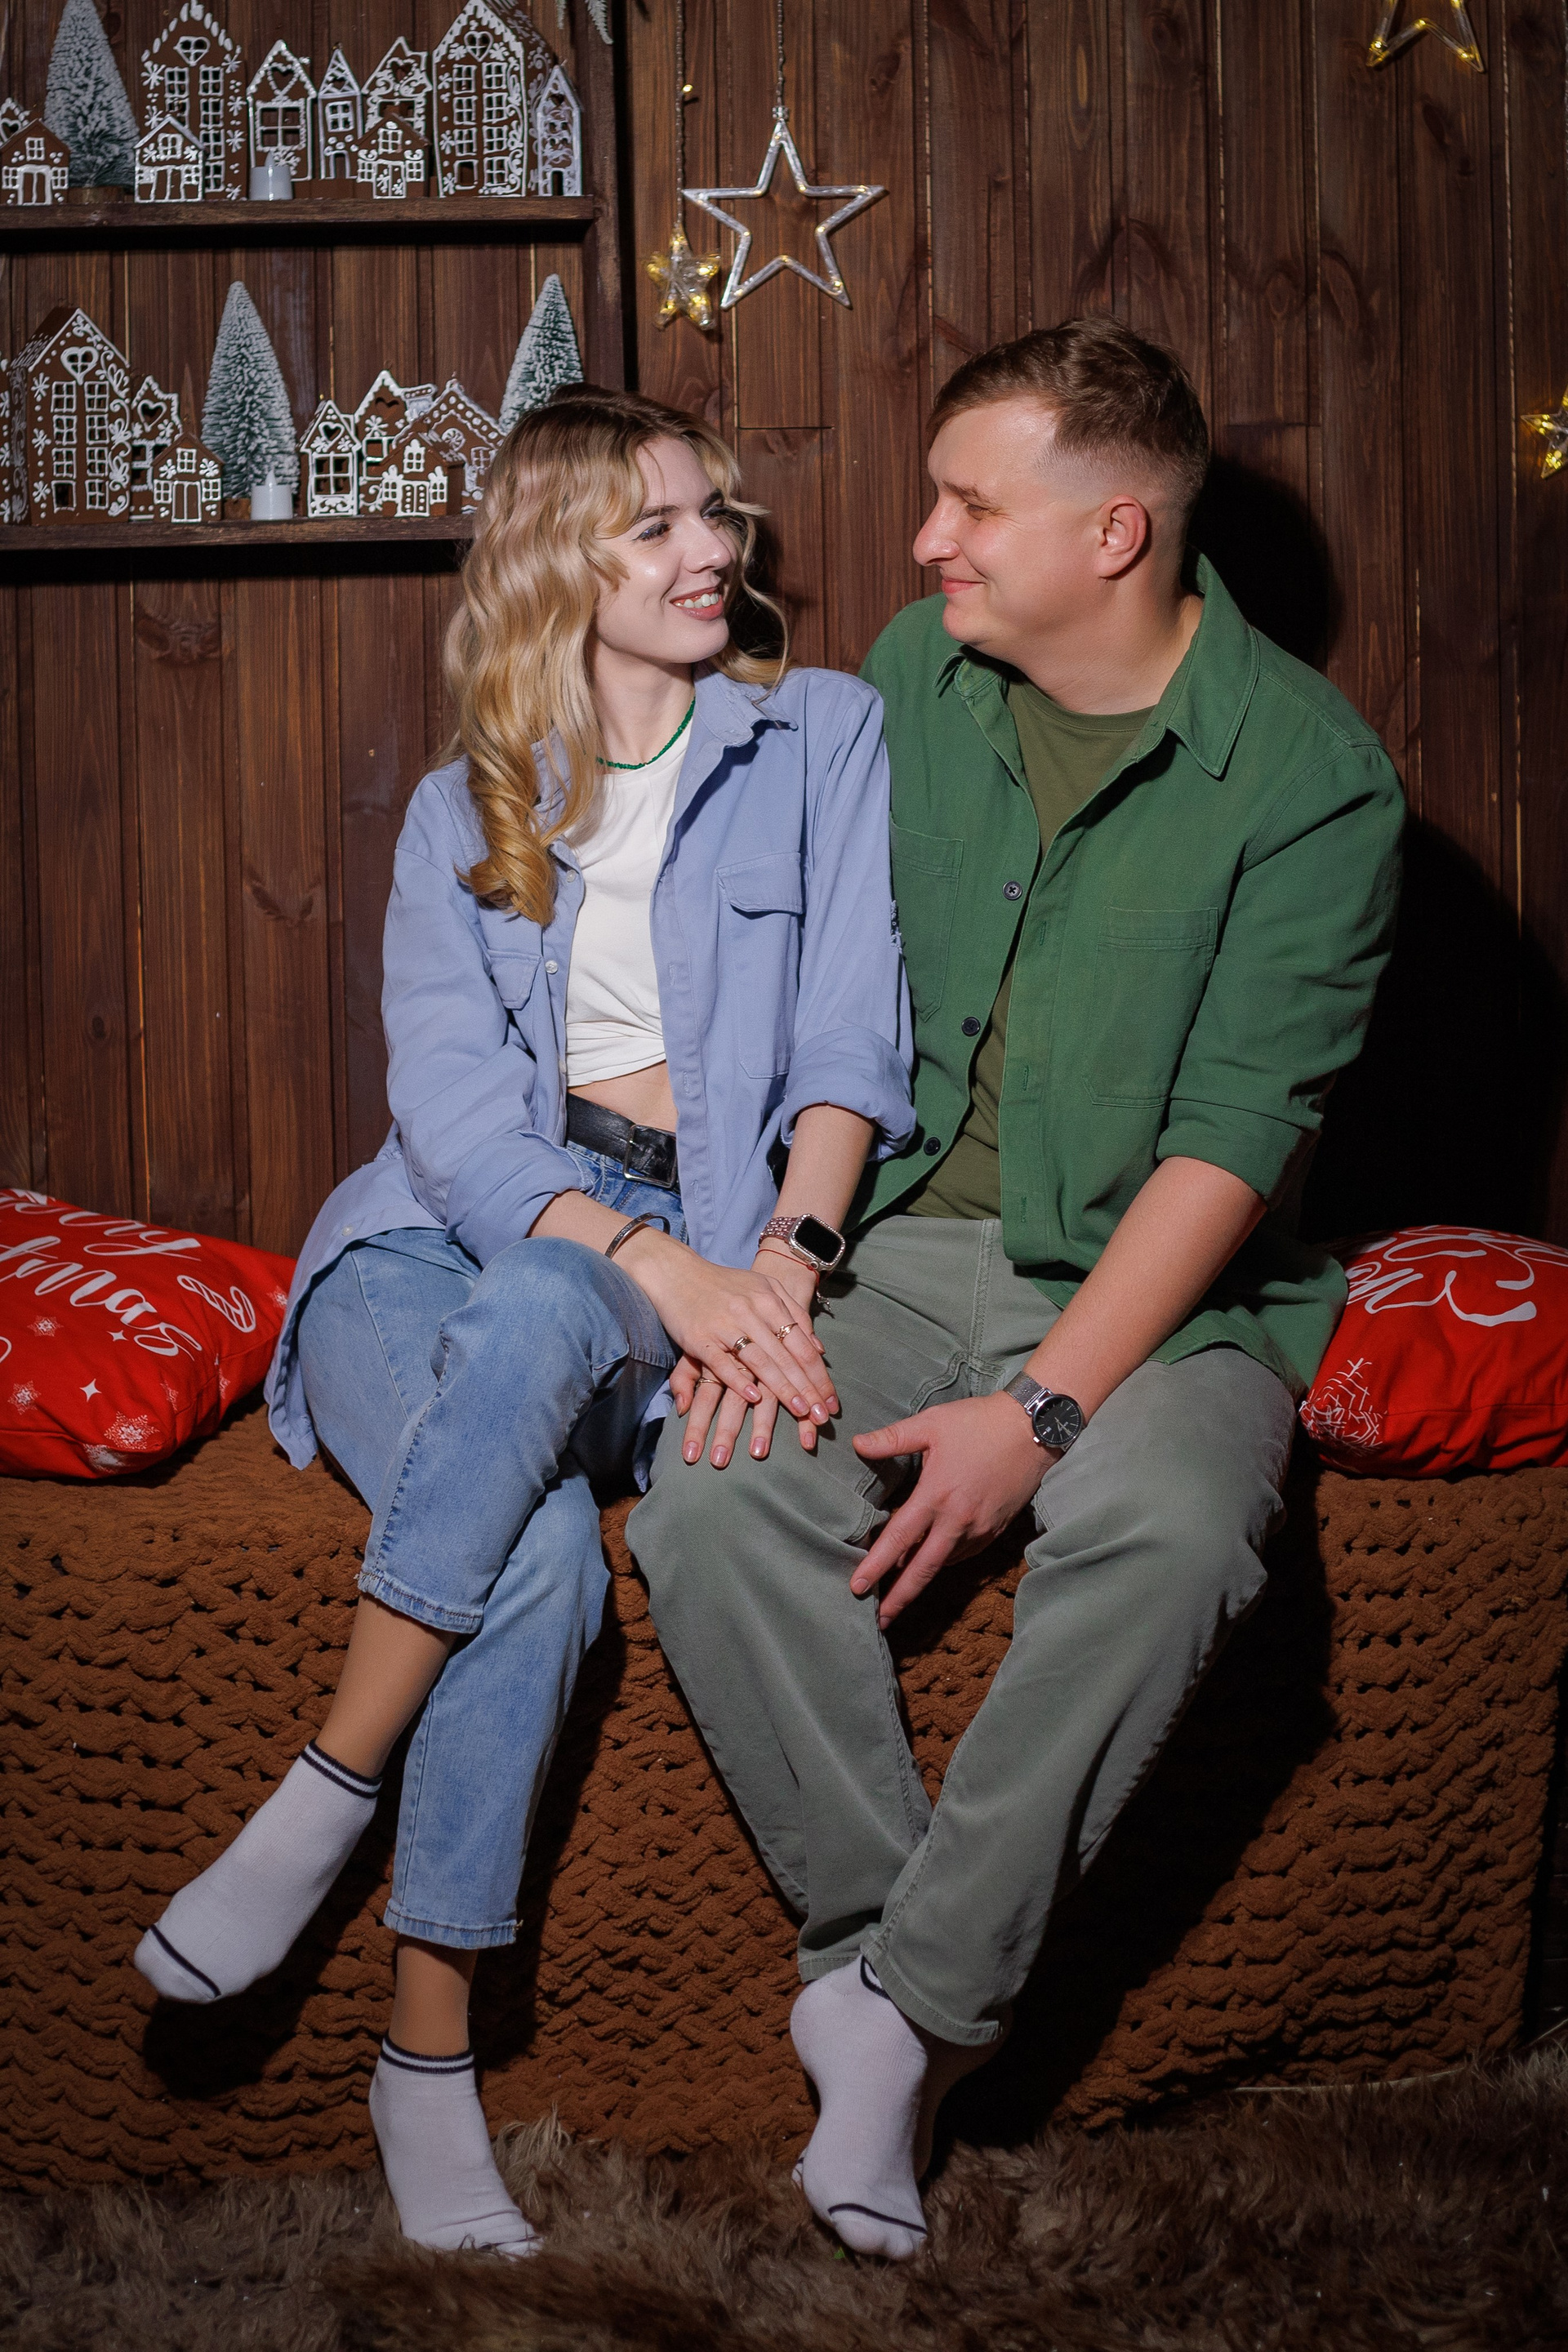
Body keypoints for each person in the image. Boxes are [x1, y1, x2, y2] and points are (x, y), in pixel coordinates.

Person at [628, 318, 1405, 2259]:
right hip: (897, 1244)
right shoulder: (917, 674)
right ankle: (882, 1971)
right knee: (708, 1495)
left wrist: (1047, 1410)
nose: (925, 541)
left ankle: (910, 2017)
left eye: (972, 505)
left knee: (1177, 1533)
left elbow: (1232, 1144)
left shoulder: (1316, 780)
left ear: (1115, 533)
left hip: (1168, 1291)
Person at [133, 387, 913, 2256]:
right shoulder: (458, 812)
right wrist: (661, 1275)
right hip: (425, 1251)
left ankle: (329, 1800)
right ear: (560, 563)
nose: (711, 550)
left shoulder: (822, 735)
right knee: (547, 1555)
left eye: (715, 513)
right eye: (656, 527)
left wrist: (778, 1267)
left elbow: (849, 1042)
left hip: (694, 1240)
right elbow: (463, 1134)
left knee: (570, 1348)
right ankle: (421, 2048)